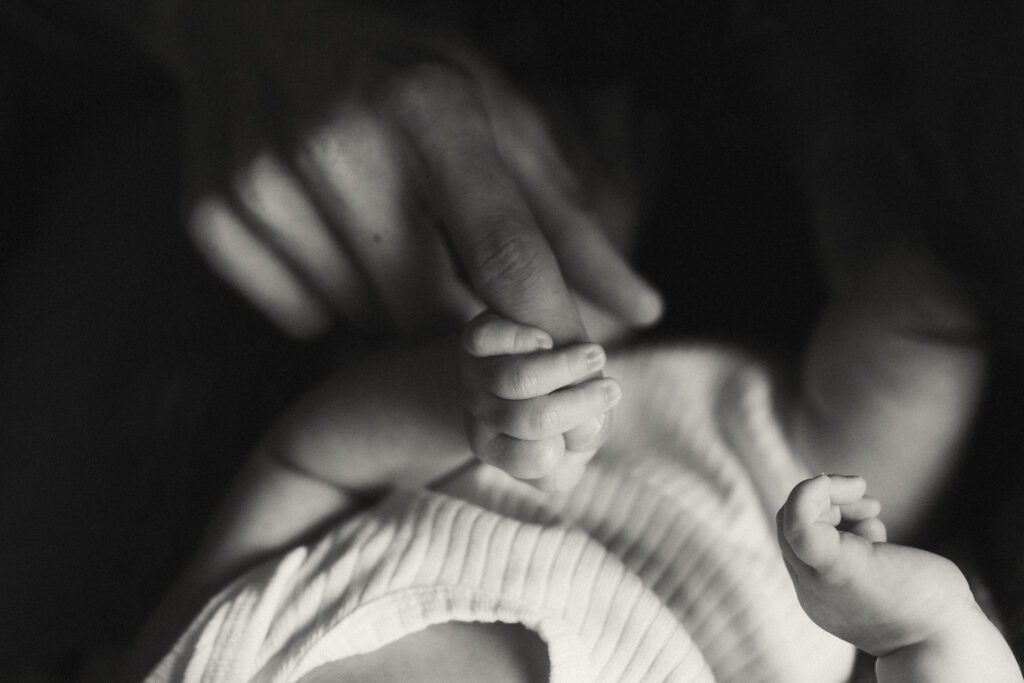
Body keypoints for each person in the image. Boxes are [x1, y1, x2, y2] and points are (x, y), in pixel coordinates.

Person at [126, 306, 1020, 681]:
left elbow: (307, 461)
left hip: (610, 441)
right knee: (934, 297)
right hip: (795, 568)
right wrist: (925, 626)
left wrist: (471, 407)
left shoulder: (198, 661)